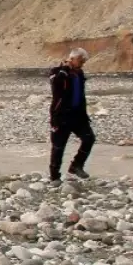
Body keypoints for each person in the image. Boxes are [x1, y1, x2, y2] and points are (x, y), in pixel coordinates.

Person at [48, 48, 96, 182]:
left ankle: (76, 165)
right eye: (81, 61)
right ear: (73, 58)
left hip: (78, 116)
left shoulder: (79, 73)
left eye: (84, 61)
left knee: (89, 138)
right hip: (61, 116)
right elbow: (56, 85)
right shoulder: (56, 71)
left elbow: (81, 95)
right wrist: (64, 69)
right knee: (58, 146)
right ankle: (54, 176)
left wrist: (85, 113)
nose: (83, 64)